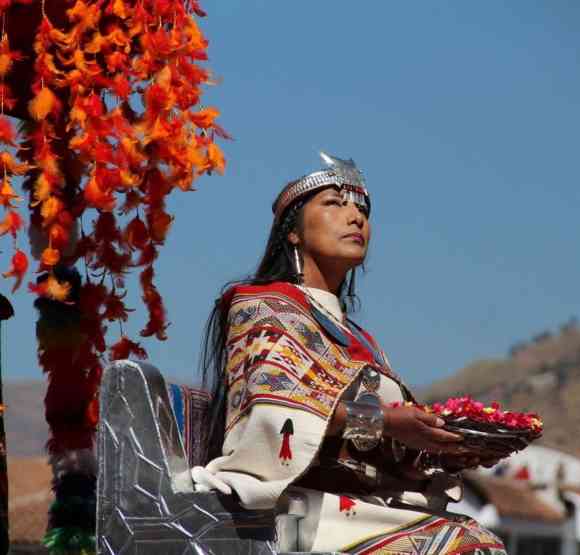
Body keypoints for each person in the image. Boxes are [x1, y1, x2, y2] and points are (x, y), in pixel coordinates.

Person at [194, 152, 516, 554]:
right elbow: (276, 413)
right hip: (295, 509)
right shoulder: (262, 305)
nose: (355, 217)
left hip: (364, 504)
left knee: (477, 541)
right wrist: (387, 421)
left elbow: (368, 437)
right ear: (292, 231)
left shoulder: (361, 338)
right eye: (334, 203)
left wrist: (445, 445)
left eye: (362, 209)